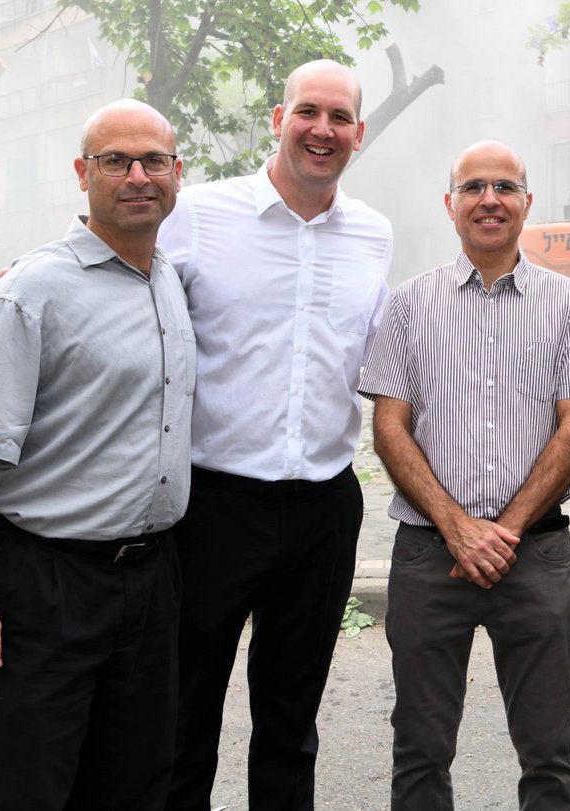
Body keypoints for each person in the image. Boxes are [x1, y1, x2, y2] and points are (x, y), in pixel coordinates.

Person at [0, 100, 195, 808]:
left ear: (177, 172)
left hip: (149, 584)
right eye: (115, 161)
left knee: (132, 787)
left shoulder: (169, 280)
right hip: (43, 586)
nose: (138, 177)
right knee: (15, 788)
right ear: (82, 173)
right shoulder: (31, 291)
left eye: (154, 160)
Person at [163, 59, 393, 810]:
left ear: (358, 132)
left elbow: (387, 357)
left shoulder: (373, 234)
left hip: (323, 507)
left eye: (339, 117)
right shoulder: (198, 213)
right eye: (308, 112)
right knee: (182, 713)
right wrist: (26, 276)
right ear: (278, 119)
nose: (322, 130)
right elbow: (118, 273)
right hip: (211, 507)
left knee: (291, 723)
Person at [358, 140, 570, 810]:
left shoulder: (568, 304)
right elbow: (389, 428)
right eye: (472, 187)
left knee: (549, 752)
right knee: (419, 750)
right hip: (428, 557)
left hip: (536, 554)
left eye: (504, 187)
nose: (488, 200)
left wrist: (504, 530)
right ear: (450, 204)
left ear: (527, 202)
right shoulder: (408, 305)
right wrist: (457, 528)